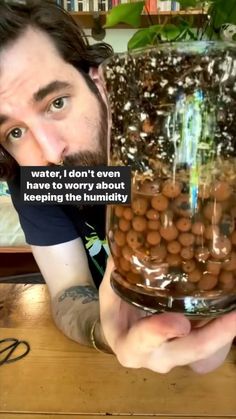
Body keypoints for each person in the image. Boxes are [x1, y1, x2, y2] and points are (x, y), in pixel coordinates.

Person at [0, 0, 235, 374]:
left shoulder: (195, 155)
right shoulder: (37, 181)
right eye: (14, 131)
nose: (50, 150)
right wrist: (105, 332)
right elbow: (67, 291)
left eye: (56, 102)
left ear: (100, 82)